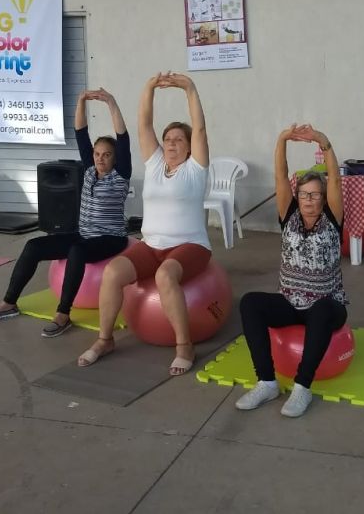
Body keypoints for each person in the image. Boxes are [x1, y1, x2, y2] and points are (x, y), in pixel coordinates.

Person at [77, 72, 211, 376]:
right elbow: (144, 124)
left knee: (165, 275)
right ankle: (105, 339)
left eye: (179, 140)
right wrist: (149, 87)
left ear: (190, 146)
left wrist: (189, 87)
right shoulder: (154, 163)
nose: (172, 143)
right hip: (151, 245)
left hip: (190, 245)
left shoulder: (196, 168)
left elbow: (201, 126)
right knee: (112, 272)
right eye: (168, 139)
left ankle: (184, 346)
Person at [0, 88, 131, 337]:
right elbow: (80, 133)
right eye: (97, 154)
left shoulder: (120, 176)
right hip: (84, 233)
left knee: (77, 251)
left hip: (111, 238)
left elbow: (123, 138)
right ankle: (9, 303)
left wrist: (111, 103)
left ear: (115, 159)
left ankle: (63, 314)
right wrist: (81, 100)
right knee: (33, 246)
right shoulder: (91, 170)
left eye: (107, 155)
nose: (101, 159)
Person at [234, 123, 347, 418]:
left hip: (328, 305)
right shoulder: (289, 216)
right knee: (249, 303)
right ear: (298, 197)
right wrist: (282, 138)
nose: (310, 200)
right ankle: (267, 382)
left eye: (316, 195)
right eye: (305, 195)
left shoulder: (332, 220)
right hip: (291, 302)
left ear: (324, 199)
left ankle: (302, 388)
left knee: (322, 309)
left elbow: (334, 178)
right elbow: (280, 176)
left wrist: (324, 142)